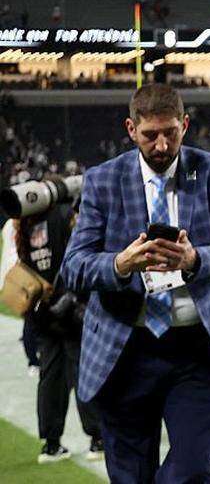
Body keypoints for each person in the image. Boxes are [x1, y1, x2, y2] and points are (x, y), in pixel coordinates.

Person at [61, 83, 210, 483]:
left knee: (191, 471)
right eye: (150, 135)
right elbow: (74, 267)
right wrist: (119, 264)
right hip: (125, 347)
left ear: (184, 125)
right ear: (131, 129)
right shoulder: (103, 180)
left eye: (171, 133)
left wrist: (195, 259)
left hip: (196, 348)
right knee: (130, 476)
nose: (162, 146)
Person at [14, 199, 103, 464]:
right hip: (70, 309)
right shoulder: (63, 216)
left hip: (42, 312)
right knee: (82, 373)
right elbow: (77, 259)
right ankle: (97, 439)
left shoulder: (26, 227)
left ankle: (51, 445)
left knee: (50, 377)